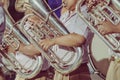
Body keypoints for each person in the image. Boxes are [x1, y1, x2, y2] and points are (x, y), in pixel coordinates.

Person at [38, 0, 93, 80]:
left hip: (75, 71)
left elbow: (79, 39)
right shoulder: (66, 14)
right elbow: (61, 36)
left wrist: (53, 41)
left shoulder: (84, 13)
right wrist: (47, 31)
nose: (63, 0)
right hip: (62, 70)